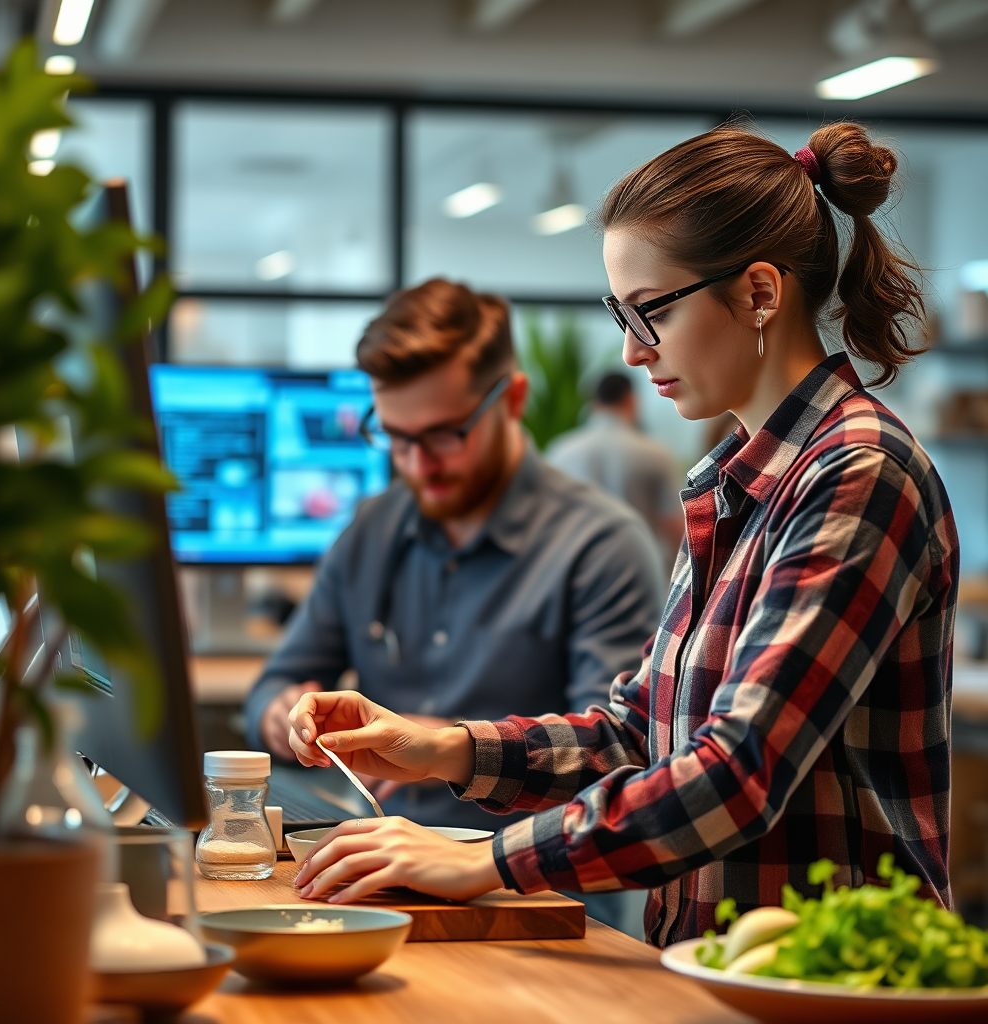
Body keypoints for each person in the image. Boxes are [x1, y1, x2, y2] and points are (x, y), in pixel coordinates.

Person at [284, 124, 959, 949]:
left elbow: (738, 773)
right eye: (621, 315)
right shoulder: (736, 480)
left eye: (652, 312)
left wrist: (485, 861)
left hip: (832, 979)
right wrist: (439, 748)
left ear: (759, 293)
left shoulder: (857, 472)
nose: (634, 352)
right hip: (718, 967)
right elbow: (637, 736)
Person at [244, 278, 669, 844]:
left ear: (512, 399)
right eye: (396, 437)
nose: (418, 465)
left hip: (529, 873)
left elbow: (615, 755)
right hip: (377, 852)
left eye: (444, 436)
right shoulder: (372, 528)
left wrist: (444, 747)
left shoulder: (601, 545)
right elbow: (271, 685)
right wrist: (285, 716)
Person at [547, 371, 684, 567]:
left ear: (594, 404)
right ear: (630, 400)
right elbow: (674, 527)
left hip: (577, 569)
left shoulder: (560, 452)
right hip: (639, 568)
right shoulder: (654, 453)